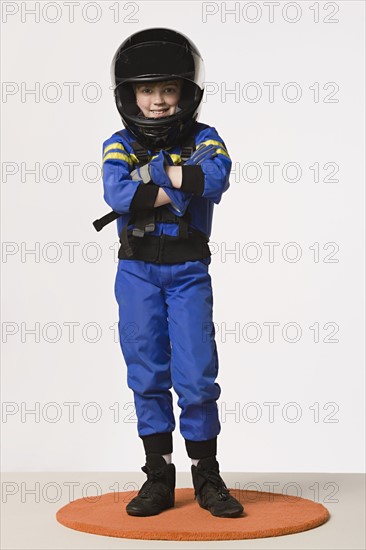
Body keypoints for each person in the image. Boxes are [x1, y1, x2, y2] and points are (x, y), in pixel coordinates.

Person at [94, 28, 244, 519]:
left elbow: (216, 176)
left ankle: (208, 475)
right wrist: (179, 179)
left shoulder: (206, 138)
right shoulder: (117, 143)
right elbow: (119, 197)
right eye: (146, 89)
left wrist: (152, 176)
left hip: (187, 272)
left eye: (168, 89)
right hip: (136, 273)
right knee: (147, 372)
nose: (157, 101)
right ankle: (158, 474)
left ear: (186, 92)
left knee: (198, 374)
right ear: (128, 94)